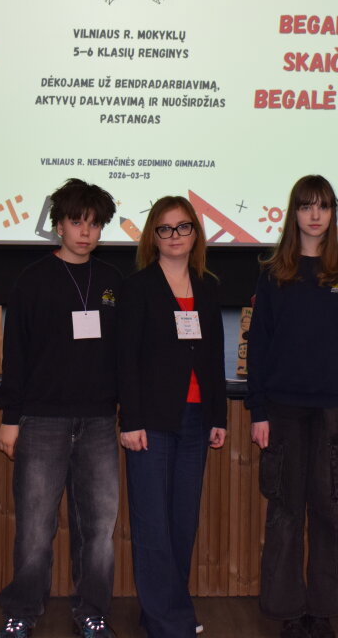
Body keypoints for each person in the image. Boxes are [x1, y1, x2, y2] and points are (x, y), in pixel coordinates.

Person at [246, 175, 338, 638]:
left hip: (337, 413)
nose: (315, 215)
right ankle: (287, 610)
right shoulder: (273, 273)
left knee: (333, 512)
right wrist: (258, 411)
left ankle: (324, 609)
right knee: (284, 513)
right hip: (282, 410)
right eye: (307, 206)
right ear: (295, 214)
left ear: (332, 213)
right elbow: (258, 347)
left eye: (323, 206)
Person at [0, 178, 123, 638]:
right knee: (34, 528)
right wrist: (10, 418)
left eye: (94, 224)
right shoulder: (33, 280)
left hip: (99, 422)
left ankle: (92, 611)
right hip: (41, 421)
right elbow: (16, 353)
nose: (85, 232)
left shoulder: (112, 282)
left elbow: (125, 354)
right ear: (58, 225)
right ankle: (22, 612)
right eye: (76, 222)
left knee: (99, 529)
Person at [118, 196, 227, 638]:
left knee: (183, 522)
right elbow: (126, 359)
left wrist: (219, 416)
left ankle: (164, 610)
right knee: (152, 523)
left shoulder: (207, 287)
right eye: (165, 228)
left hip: (197, 420)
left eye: (183, 227)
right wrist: (130, 421)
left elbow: (213, 355)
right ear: (153, 236)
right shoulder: (137, 287)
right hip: (151, 420)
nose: (175, 236)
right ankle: (170, 622)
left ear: (195, 234)